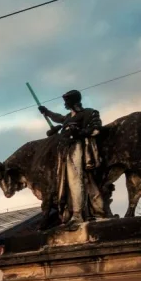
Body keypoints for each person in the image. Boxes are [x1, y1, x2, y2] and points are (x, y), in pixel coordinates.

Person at [39, 89, 106, 225]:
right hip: (65, 151)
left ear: (74, 101)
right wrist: (46, 112)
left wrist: (79, 132)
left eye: (67, 101)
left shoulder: (89, 113)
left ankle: (78, 214)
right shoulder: (69, 117)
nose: (65, 103)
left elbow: (97, 129)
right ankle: (73, 213)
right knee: (68, 184)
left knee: (77, 181)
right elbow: (59, 118)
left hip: (78, 150)